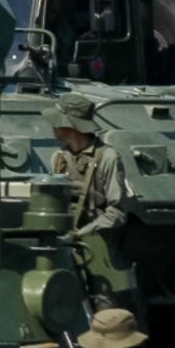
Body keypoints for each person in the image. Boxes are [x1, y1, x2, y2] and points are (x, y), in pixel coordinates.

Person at [45, 93, 127, 243]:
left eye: (56, 121)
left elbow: (116, 212)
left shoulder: (108, 157)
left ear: (70, 125)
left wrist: (80, 234)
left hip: (97, 243)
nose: (52, 125)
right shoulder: (59, 158)